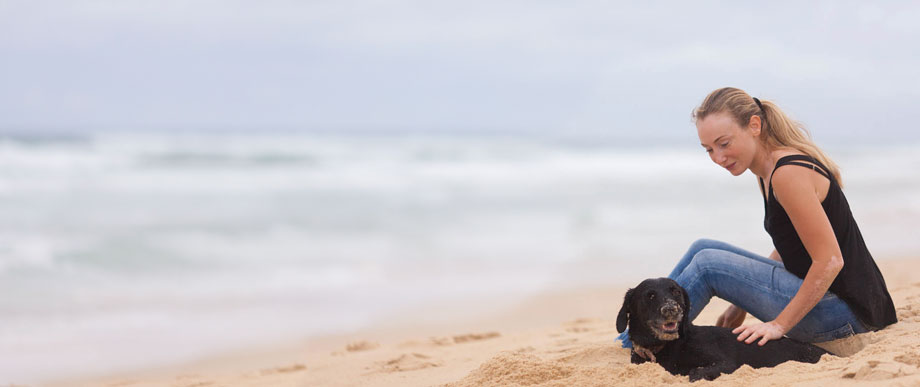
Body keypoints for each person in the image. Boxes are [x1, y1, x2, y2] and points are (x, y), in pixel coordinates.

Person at [616, 87, 897, 351]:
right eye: (709, 149)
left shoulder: (787, 174)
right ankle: (634, 335)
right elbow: (794, 244)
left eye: (724, 143)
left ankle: (639, 341)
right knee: (702, 247)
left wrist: (778, 325)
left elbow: (830, 261)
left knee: (708, 265)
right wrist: (743, 299)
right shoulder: (767, 171)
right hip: (844, 307)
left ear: (754, 126)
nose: (718, 157)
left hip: (847, 316)